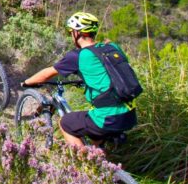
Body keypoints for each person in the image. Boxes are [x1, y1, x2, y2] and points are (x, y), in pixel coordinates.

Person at [22, 12, 138, 150]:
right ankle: (103, 162)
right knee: (95, 137)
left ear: (77, 33)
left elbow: (47, 73)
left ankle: (84, 164)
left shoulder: (79, 55)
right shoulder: (112, 48)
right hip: (130, 115)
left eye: (71, 32)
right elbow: (113, 73)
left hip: (107, 118)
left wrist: (27, 82)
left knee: (66, 123)